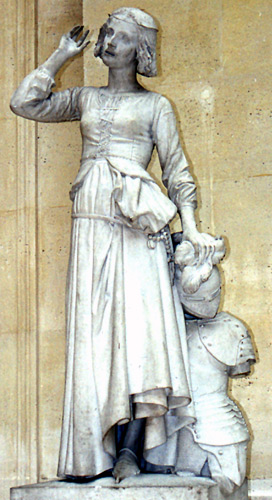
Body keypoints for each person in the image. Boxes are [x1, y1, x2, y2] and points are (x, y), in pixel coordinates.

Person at [10, 7, 214, 482]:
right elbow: (24, 103)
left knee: (138, 339)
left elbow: (178, 171)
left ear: (138, 49)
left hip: (139, 231)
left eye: (118, 36)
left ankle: (130, 450)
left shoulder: (155, 106)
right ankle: (91, 453)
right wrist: (60, 56)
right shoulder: (83, 99)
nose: (106, 41)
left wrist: (193, 227)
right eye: (105, 33)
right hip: (92, 226)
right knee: (95, 338)